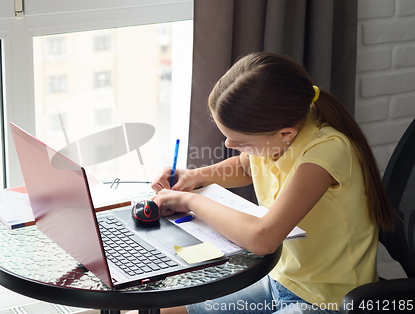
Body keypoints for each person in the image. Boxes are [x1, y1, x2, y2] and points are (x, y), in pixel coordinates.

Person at [151, 52, 396, 314]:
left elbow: (262, 239)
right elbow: (248, 166)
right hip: (278, 280)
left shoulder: (326, 152)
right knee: (163, 311)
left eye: (242, 142)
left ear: (285, 135)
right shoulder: (282, 135)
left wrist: (190, 200)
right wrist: (196, 176)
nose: (229, 146)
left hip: (326, 300)